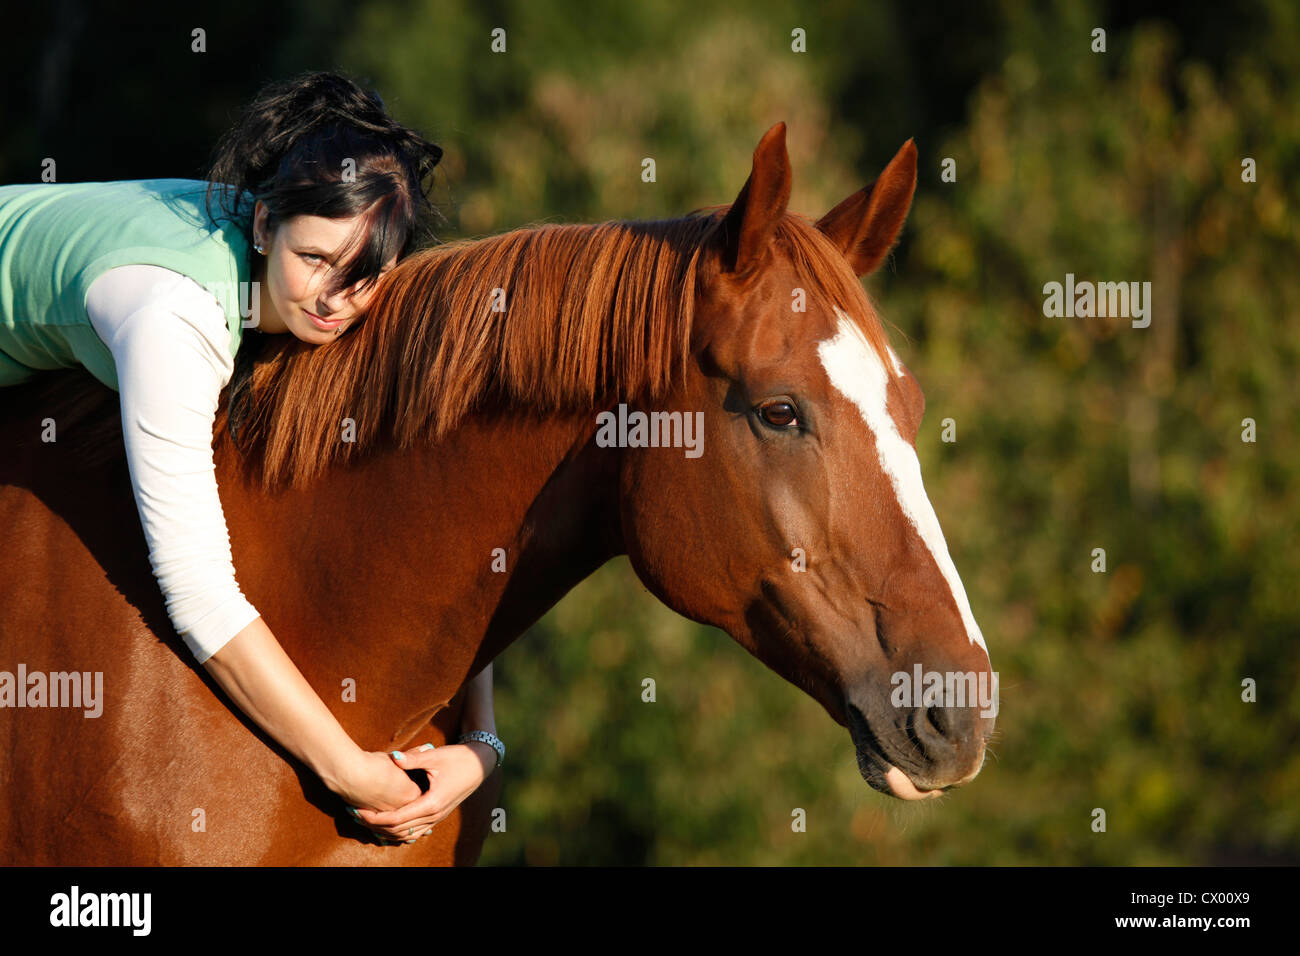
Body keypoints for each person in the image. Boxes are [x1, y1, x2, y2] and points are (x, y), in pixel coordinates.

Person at [0, 71, 502, 847]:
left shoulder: (318, 262)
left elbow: (438, 509)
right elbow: (198, 595)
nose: (335, 298)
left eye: (363, 276)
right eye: (314, 259)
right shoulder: (175, 319)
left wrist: (483, 740)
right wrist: (344, 768)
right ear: (264, 223)